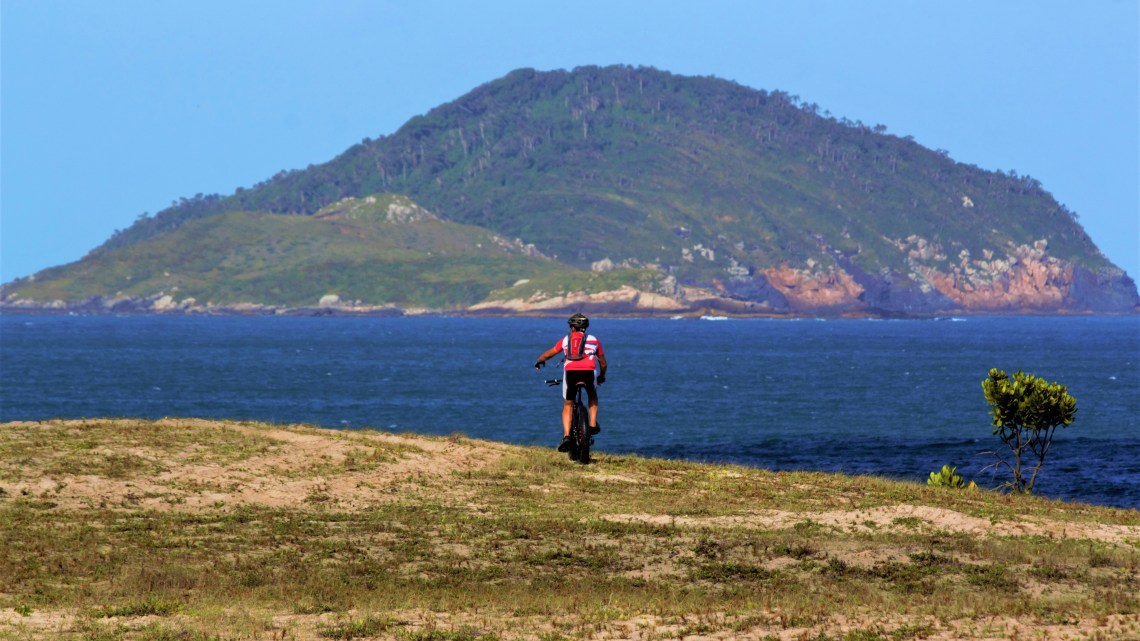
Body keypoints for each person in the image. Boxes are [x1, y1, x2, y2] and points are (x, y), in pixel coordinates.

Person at [534, 313, 607, 452]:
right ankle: (592, 424)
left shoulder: (566, 339)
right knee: (592, 395)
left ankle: (567, 436)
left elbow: (548, 354)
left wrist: (539, 361)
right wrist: (602, 376)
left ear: (573, 328)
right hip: (589, 372)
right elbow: (603, 363)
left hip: (571, 373)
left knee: (568, 403)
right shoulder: (594, 340)